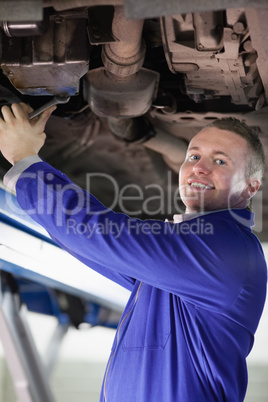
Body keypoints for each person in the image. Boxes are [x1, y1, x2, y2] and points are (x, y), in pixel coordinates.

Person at [0, 102, 267, 402]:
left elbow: (103, 236)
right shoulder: (191, 260)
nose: (199, 168)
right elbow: (100, 247)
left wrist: (25, 161)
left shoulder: (226, 249)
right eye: (193, 156)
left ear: (250, 188)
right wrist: (29, 175)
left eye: (220, 161)